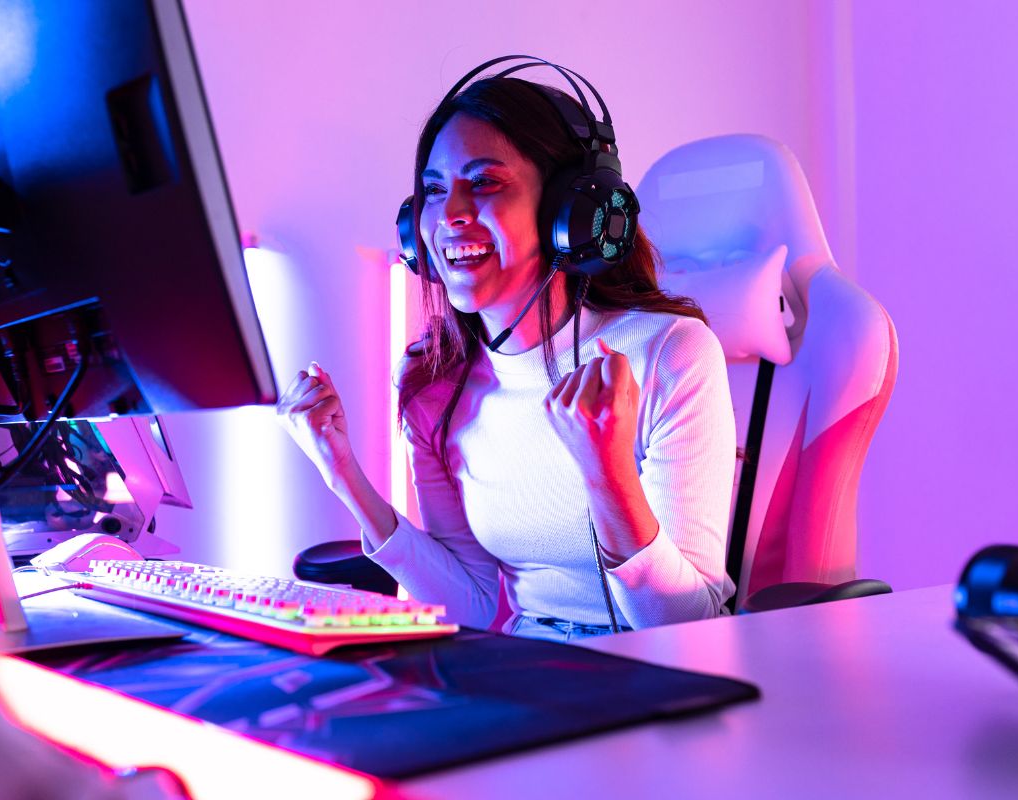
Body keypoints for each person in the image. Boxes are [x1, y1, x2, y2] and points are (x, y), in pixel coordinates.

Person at [277, 63, 737, 643]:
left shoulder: (670, 355)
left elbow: (689, 631)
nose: (449, 215)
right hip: (525, 670)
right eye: (435, 190)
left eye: (485, 182)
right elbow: (468, 603)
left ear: (566, 214)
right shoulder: (432, 381)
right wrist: (341, 472)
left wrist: (608, 472)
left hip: (661, 679)